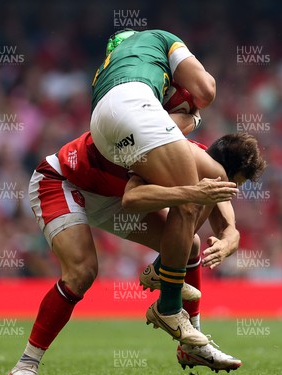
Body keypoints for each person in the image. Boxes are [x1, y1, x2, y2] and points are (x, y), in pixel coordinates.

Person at [6, 125, 267, 375]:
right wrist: (191, 193)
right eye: (236, 184)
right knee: (82, 272)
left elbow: (220, 204)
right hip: (63, 181)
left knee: (190, 244)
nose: (233, 191)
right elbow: (133, 199)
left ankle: (192, 345)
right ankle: (27, 363)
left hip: (109, 194)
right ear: (223, 170)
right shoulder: (166, 151)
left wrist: (232, 233)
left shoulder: (202, 162)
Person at [90, 29, 217, 345]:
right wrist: (194, 113)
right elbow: (206, 89)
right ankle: (169, 306)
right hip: (135, 109)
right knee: (193, 198)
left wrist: (176, 117)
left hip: (103, 128)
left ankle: (164, 270)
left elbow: (161, 127)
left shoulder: (108, 69)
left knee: (184, 198)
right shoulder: (160, 38)